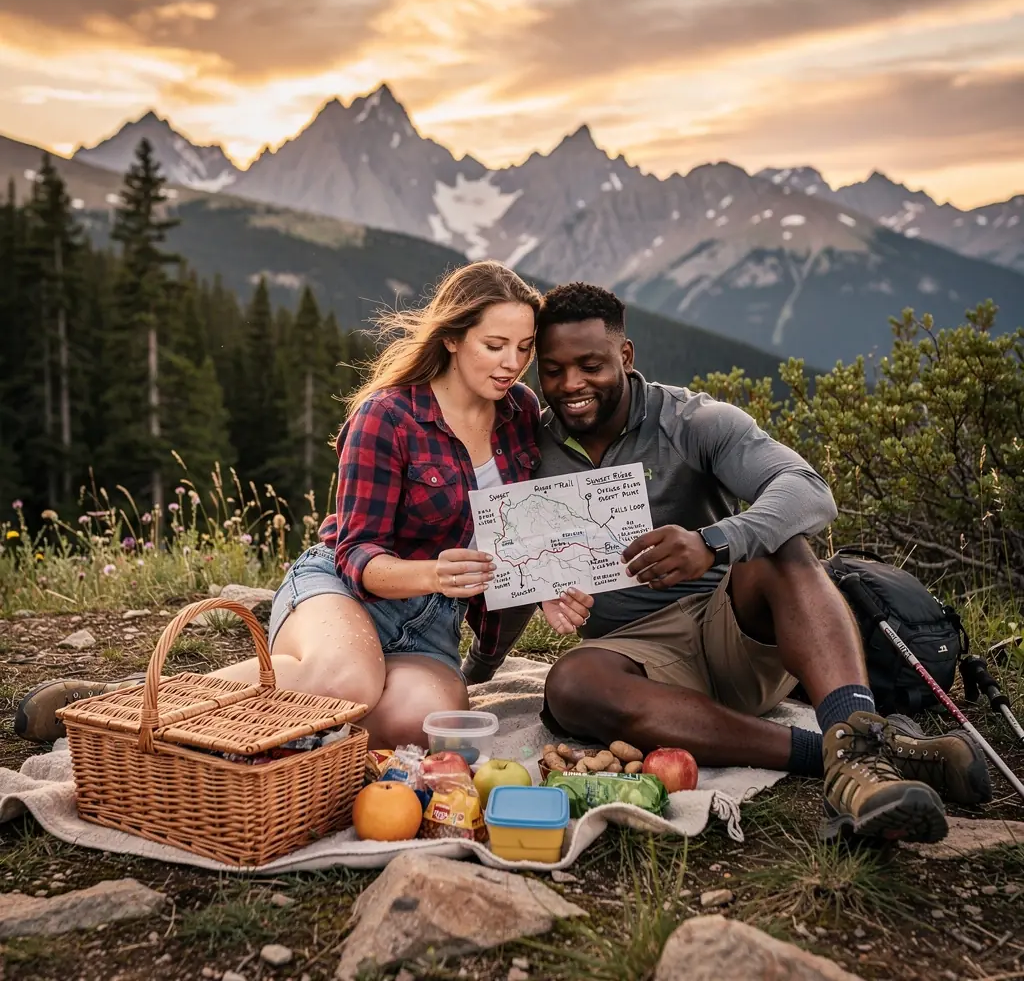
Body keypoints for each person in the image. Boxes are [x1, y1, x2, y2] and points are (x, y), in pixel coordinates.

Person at [463, 282, 991, 843]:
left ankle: (854, 740)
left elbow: (808, 489)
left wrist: (713, 542)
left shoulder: (693, 421)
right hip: (631, 656)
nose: (571, 384)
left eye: (590, 365)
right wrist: (479, 669)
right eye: (553, 370)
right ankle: (846, 756)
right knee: (570, 684)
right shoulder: (530, 446)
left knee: (782, 547)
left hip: (730, 631)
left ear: (626, 355)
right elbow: (524, 568)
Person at [15, 261, 592, 750]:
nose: (511, 363)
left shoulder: (519, 412)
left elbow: (515, 527)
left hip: (430, 625)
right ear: (452, 338)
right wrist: (434, 573)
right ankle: (124, 708)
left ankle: (273, 728)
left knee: (419, 722)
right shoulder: (387, 416)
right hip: (345, 593)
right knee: (346, 685)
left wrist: (543, 583)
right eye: (494, 346)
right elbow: (357, 554)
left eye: (523, 348)